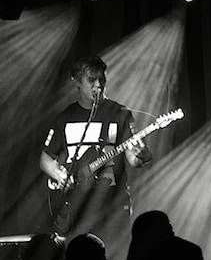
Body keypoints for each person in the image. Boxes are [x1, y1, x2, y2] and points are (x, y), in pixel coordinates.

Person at [40, 55, 153, 246]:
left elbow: (133, 159)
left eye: (102, 79)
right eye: (91, 80)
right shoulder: (64, 118)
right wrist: (59, 175)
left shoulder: (120, 113)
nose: (98, 85)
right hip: (75, 206)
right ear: (76, 80)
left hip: (111, 205)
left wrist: (143, 154)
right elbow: (45, 158)